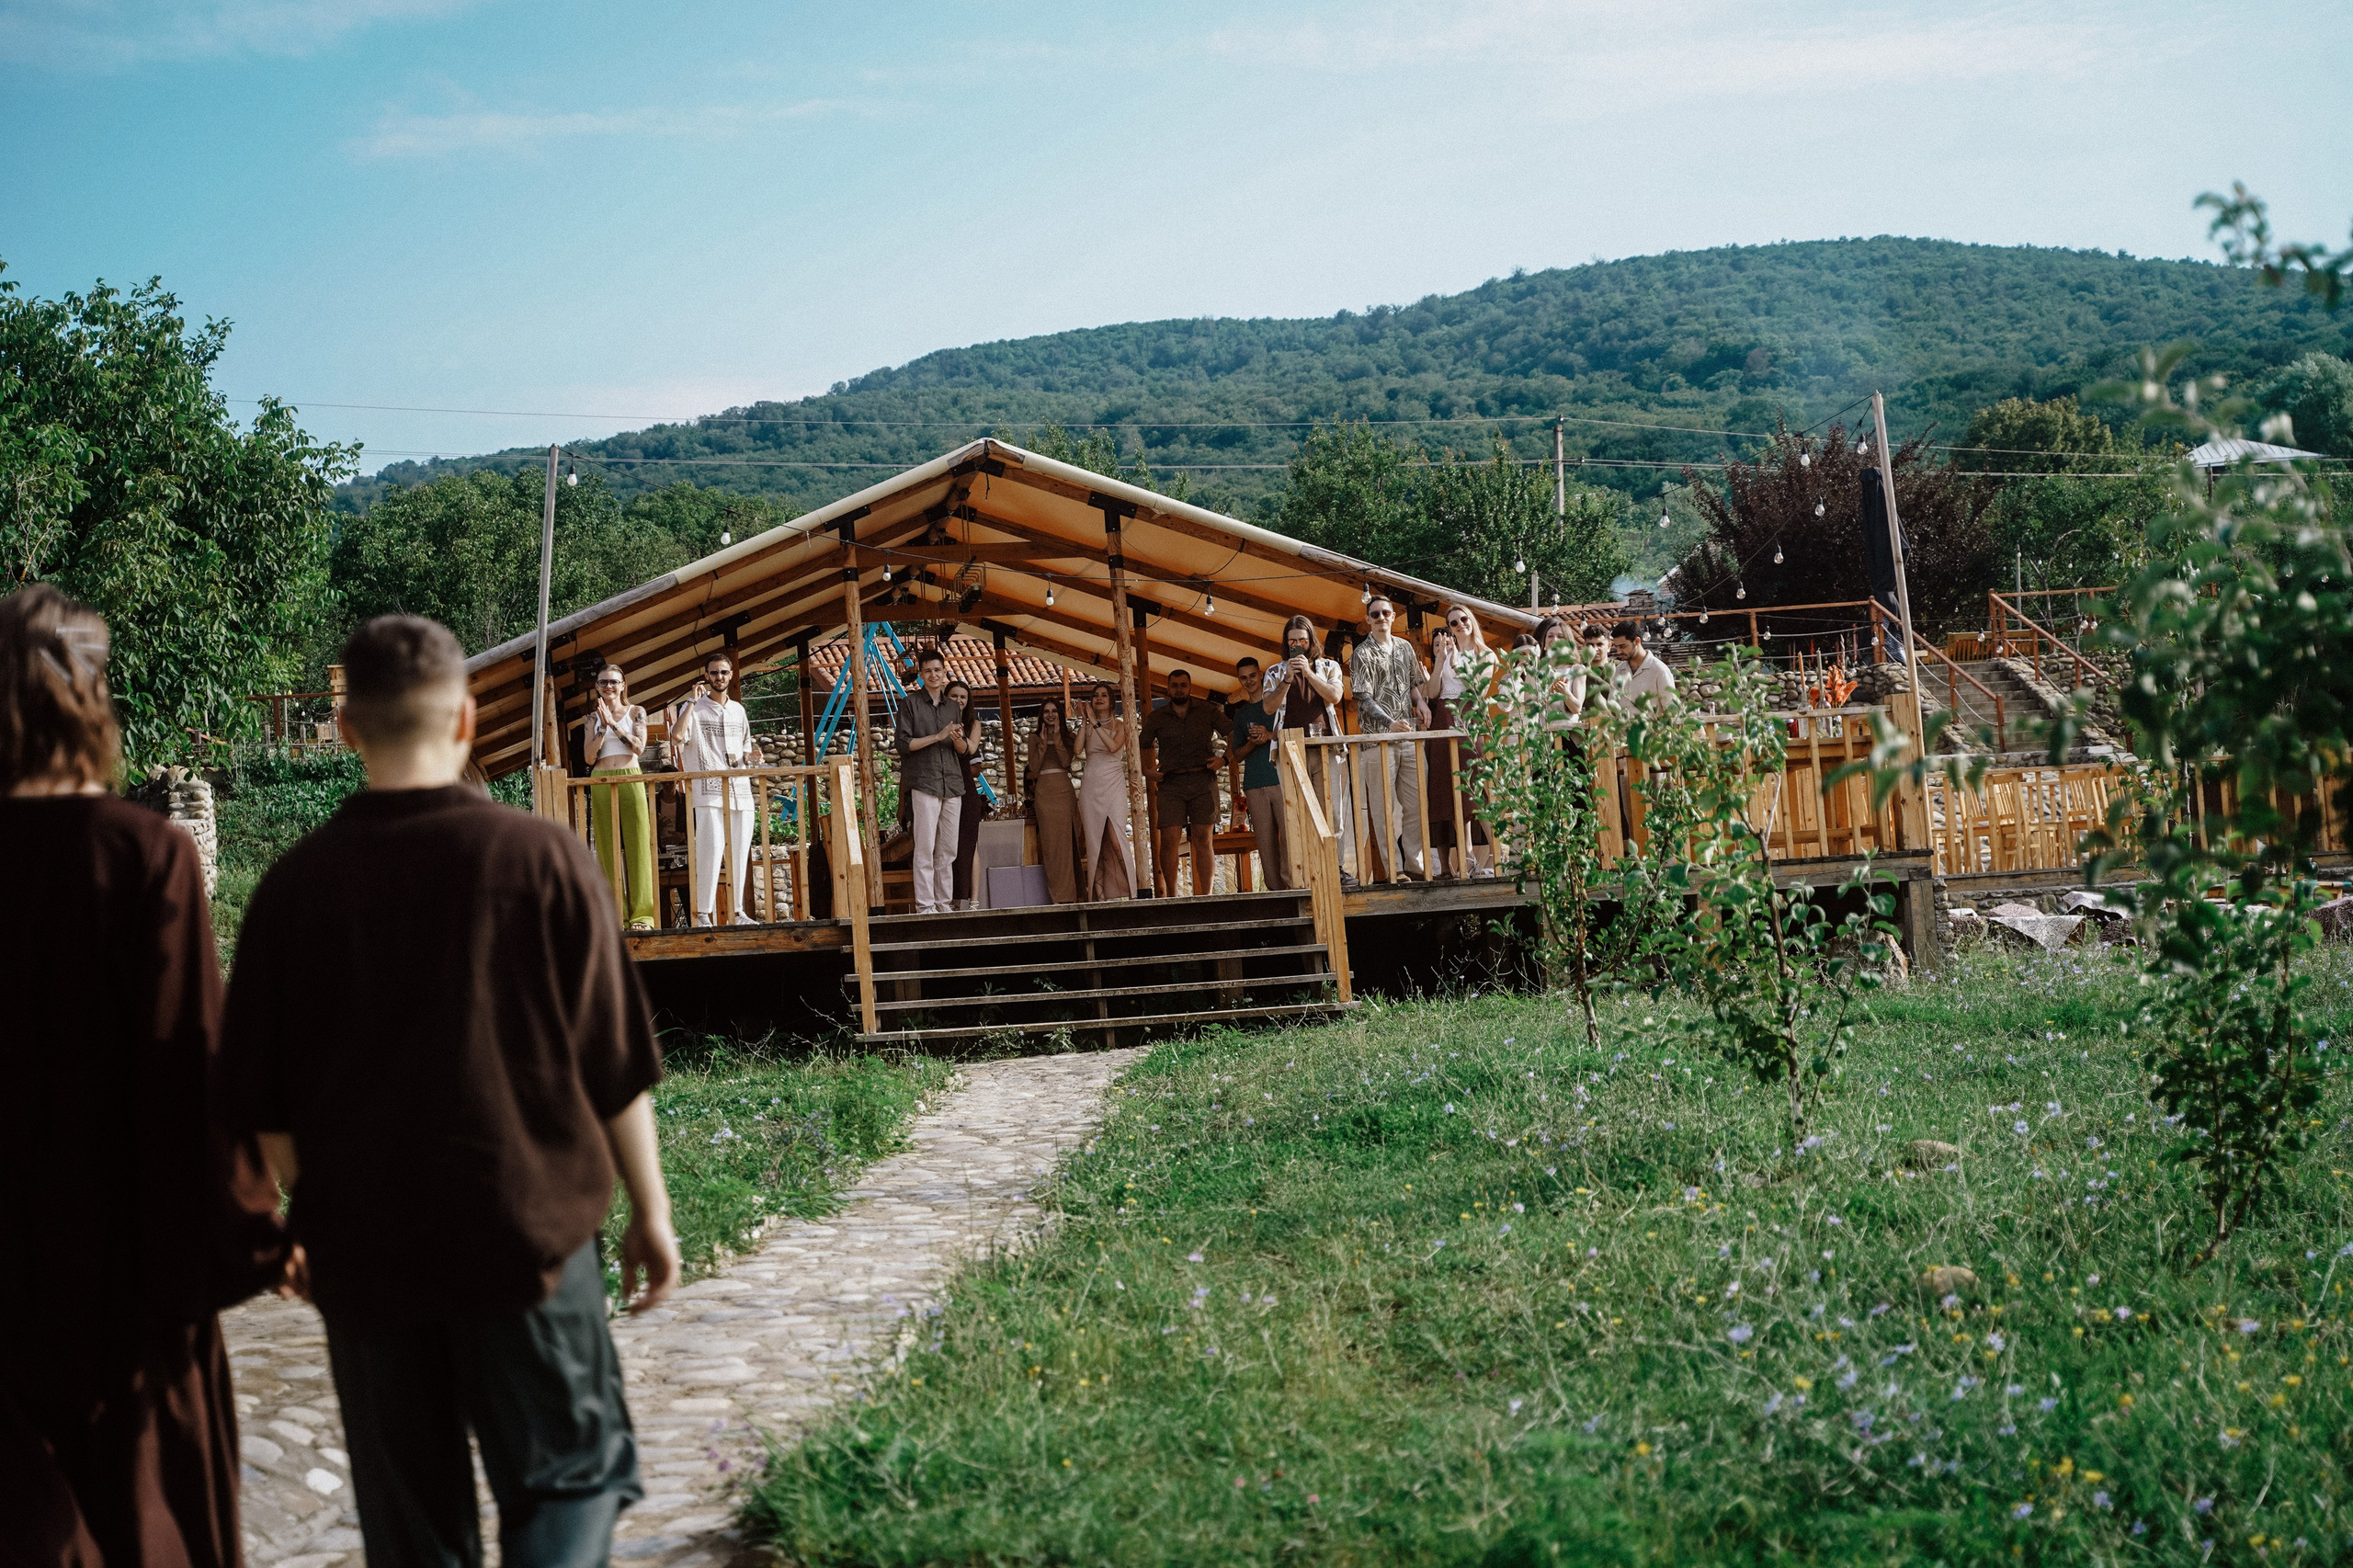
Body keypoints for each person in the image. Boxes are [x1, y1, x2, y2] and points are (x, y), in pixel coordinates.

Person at [220, 613, 678, 1566]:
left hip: (368, 1253)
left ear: (346, 730)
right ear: (468, 720)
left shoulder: (292, 892)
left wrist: (317, 1207)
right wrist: (652, 1210)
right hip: (530, 1238)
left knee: (413, 1528)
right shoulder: (544, 861)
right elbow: (613, 1060)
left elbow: (266, 1109)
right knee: (570, 1479)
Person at [0, 585, 290, 1568]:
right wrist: (255, 1230)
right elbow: (188, 1064)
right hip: (120, 1279)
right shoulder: (140, 853)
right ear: (89, 696)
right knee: (144, 1526)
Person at [1261, 614, 1348, 888]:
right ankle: (1302, 875)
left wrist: (1308, 673)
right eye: (1291, 641)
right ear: (1285, 643)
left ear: (1311, 641)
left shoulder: (1329, 666)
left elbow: (1335, 697)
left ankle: (1335, 869)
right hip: (1289, 750)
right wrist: (1287, 680)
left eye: (1301, 640)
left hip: (1325, 746)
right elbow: (1267, 707)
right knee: (1296, 814)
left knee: (1332, 812)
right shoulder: (1275, 672)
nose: (1296, 645)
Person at [1348, 596, 1428, 882]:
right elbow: (1364, 698)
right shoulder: (1362, 653)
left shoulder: (1406, 647)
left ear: (1394, 616)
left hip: (1409, 736)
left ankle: (1416, 865)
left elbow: (1413, 685)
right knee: (1383, 810)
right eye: (1375, 614)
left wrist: (1421, 703)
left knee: (1417, 804)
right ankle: (1394, 869)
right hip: (1376, 740)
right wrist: (1389, 723)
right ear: (1368, 620)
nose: (1381, 617)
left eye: (1385, 613)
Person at [674, 650, 755, 926]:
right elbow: (676, 737)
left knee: (740, 850)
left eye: (724, 672)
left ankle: (737, 911)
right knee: (711, 848)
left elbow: (745, 749)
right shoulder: (693, 708)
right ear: (706, 676)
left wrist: (754, 757)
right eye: (714, 672)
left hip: (740, 790)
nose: (719, 677)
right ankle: (703, 914)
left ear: (730, 675)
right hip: (708, 790)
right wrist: (690, 702)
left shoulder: (738, 710)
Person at [1417, 607, 1494, 879]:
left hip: (1469, 716)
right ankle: (1467, 858)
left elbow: (1479, 691)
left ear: (1472, 620)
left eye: (1463, 619)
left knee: (1476, 788)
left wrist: (1460, 663)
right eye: (1453, 622)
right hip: (1443, 718)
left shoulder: (1486, 654)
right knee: (1449, 790)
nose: (1460, 624)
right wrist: (1441, 660)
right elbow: (1434, 692)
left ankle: (1499, 855)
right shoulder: (1447, 654)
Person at [892, 646, 969, 915]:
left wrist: (957, 739)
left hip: (952, 782)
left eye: (937, 670)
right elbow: (903, 744)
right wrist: (938, 736)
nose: (933, 674)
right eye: (928, 671)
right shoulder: (910, 704)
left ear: (944, 672)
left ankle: (944, 904)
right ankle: (925, 907)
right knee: (925, 848)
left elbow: (960, 749)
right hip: (924, 782)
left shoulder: (952, 707)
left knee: (948, 851)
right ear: (921, 676)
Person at [1137, 666, 1223, 897]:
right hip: (1171, 783)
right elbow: (1142, 743)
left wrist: (1224, 759)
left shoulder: (1207, 711)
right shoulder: (1157, 717)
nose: (1179, 689)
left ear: (1190, 687)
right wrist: (1148, 771)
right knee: (1169, 840)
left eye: (1183, 685)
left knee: (1203, 839)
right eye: (1174, 685)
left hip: (1202, 780)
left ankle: (1206, 896)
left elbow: (1233, 731)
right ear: (1168, 688)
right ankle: (1172, 897)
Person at [585, 664, 656, 930]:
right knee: (606, 848)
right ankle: (615, 917)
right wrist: (602, 727)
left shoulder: (636, 712)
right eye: (603, 682)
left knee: (638, 846)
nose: (609, 687)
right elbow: (589, 757)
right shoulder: (592, 719)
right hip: (601, 779)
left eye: (614, 682)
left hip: (630, 777)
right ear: (597, 687)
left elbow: (639, 747)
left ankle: (642, 917)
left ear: (623, 685)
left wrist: (613, 723)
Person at [1225, 655, 1285, 891]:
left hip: (1280, 778)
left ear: (1261, 675)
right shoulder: (1240, 715)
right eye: (1243, 678)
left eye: (1252, 675)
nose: (1249, 681)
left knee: (1290, 839)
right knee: (1265, 842)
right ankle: (1275, 891)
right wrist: (1253, 742)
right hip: (1254, 783)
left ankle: (1296, 887)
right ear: (1239, 680)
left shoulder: (1280, 704)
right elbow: (1236, 756)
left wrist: (1269, 736)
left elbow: (1296, 735)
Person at [1074, 680, 1136, 900]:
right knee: (1094, 841)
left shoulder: (1120, 725)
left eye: (1104, 695)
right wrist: (1085, 722)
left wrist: (1096, 724)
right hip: (1091, 782)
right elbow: (1077, 749)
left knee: (1116, 838)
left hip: (1112, 782)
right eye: (1095, 695)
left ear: (1111, 701)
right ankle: (1099, 895)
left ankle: (1132, 892)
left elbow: (1113, 747)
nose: (1099, 698)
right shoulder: (1089, 724)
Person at [1025, 695, 1081, 904]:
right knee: (1051, 846)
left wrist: (1057, 737)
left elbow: (1066, 762)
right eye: (1046, 712)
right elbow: (1034, 767)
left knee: (1069, 842)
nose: (1050, 715)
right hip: (1045, 794)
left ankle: (1073, 895)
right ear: (1042, 715)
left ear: (1059, 714)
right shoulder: (1033, 737)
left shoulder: (1069, 736)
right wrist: (1042, 744)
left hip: (1064, 792)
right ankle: (1057, 896)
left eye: (1054, 711)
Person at [944, 679, 988, 910]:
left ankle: (974, 901)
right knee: (946, 844)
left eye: (963, 696)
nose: (959, 700)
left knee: (970, 844)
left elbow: (973, 755)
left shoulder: (973, 724)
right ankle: (948, 899)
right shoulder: (939, 722)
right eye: (954, 696)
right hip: (943, 789)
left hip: (966, 789)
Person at [1613, 619, 1677, 705]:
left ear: (1637, 641)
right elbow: (1612, 705)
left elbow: (1671, 709)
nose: (1619, 651)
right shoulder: (1618, 671)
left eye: (1622, 646)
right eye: (1616, 647)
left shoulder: (1659, 670)